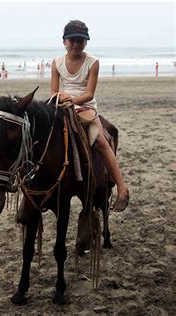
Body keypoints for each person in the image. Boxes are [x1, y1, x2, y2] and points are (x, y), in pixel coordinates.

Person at [51, 20, 129, 212]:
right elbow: (53, 91)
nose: (76, 44)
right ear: (64, 42)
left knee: (101, 141)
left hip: (85, 106)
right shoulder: (56, 62)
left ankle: (121, 186)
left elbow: (89, 94)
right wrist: (59, 98)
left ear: (85, 42)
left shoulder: (92, 62)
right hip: (63, 105)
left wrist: (72, 100)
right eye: (72, 40)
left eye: (81, 40)